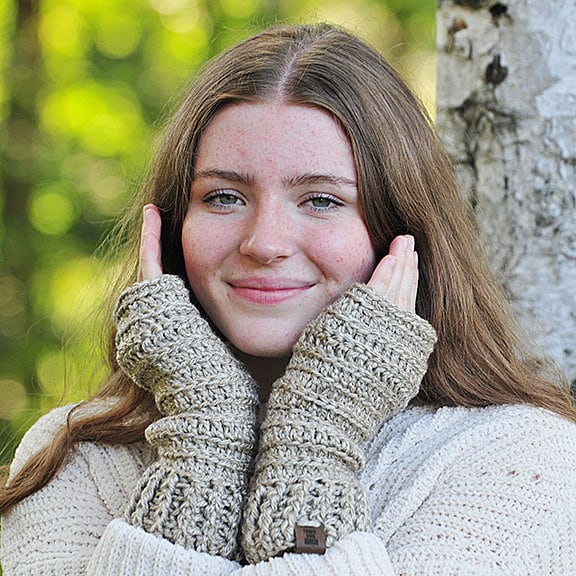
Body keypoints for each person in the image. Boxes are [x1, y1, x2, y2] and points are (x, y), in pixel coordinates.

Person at [1, 22, 575, 575]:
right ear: (173, 223)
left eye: (322, 200)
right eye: (224, 197)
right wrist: (207, 429)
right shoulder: (71, 457)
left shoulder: (523, 462)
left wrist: (317, 437)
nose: (265, 243)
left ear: (401, 232)